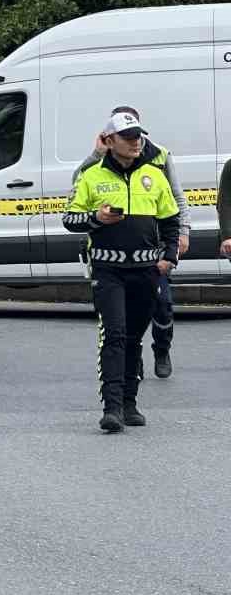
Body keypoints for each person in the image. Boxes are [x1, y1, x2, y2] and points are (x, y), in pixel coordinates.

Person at [63, 109, 182, 434]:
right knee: (114, 334)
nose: (135, 142)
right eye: (128, 137)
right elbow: (69, 218)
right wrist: (97, 219)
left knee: (133, 338)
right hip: (108, 271)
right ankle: (112, 408)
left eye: (138, 136)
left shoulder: (154, 175)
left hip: (146, 271)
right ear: (110, 140)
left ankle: (130, 403)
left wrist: (169, 257)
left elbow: (170, 220)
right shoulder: (91, 175)